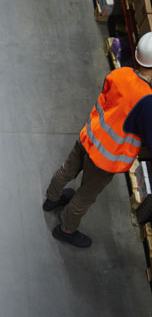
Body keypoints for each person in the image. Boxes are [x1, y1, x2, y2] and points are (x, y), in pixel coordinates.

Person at [43, 32, 152, 248]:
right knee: (85, 196)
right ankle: (66, 229)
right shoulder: (147, 99)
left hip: (89, 137)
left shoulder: (121, 73)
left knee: (67, 169)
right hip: (105, 159)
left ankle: (51, 199)